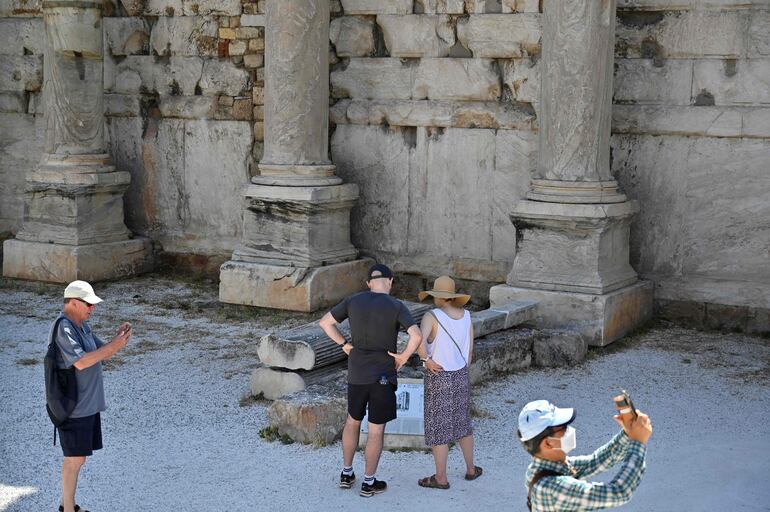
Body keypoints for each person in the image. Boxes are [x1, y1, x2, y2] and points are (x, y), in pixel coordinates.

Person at [319, 263, 422, 497]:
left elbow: (325, 322)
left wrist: (345, 345)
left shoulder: (353, 300)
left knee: (352, 421)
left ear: (368, 284)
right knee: (376, 431)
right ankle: (368, 481)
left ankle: (346, 473)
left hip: (356, 373)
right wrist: (404, 357)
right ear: (391, 281)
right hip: (382, 375)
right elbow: (416, 335)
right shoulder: (396, 306)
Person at [52, 281, 132, 512]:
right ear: (74, 302)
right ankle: (68, 509)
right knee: (74, 459)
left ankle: (65, 505)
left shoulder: (81, 325)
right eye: (89, 304)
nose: (92, 308)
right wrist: (115, 345)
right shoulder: (64, 327)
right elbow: (82, 361)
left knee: (78, 458)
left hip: (87, 405)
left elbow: (101, 354)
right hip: (73, 406)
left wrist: (119, 339)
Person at [517, 399, 653, 511]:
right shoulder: (553, 487)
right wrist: (638, 443)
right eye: (563, 428)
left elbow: (595, 461)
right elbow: (619, 493)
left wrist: (628, 434)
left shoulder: (542, 468)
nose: (569, 430)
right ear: (547, 443)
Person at [415, 275, 481, 489]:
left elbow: (419, 342)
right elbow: (470, 350)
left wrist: (426, 361)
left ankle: (441, 477)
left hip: (438, 375)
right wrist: (461, 368)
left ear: (438, 297)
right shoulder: (467, 316)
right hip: (461, 373)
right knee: (463, 422)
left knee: (439, 427)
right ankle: (471, 469)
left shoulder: (431, 316)